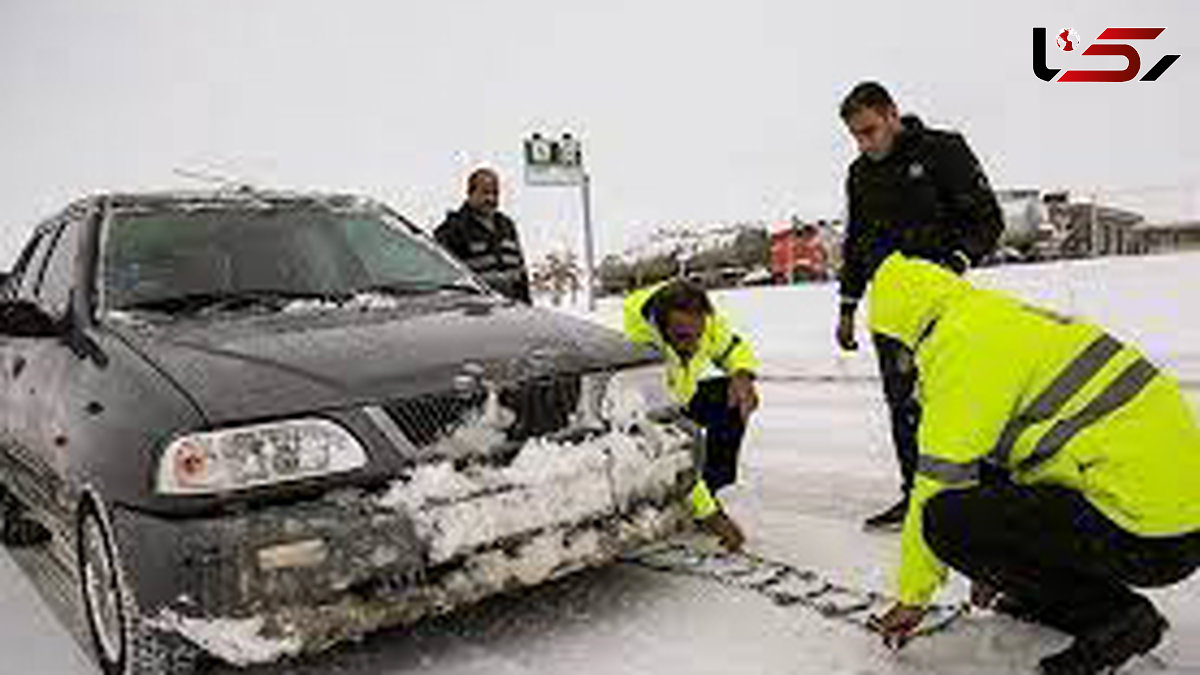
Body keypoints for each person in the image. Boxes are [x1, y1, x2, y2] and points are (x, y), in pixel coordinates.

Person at [865, 253, 1200, 675]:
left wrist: (914, 596)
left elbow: (937, 483)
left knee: (945, 519)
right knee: (986, 484)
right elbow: (1033, 454)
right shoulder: (991, 318)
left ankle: (1116, 617)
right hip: (1178, 524)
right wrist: (997, 563)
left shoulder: (962, 349)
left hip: (1150, 539)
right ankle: (1049, 598)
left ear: (901, 328)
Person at [835, 81, 1004, 531]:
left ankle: (984, 498)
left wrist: (954, 263)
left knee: (960, 398)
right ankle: (917, 497)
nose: (864, 143)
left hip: (944, 304)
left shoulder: (942, 151)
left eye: (870, 130)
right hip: (893, 311)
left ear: (892, 114)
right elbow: (856, 243)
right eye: (856, 135)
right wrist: (848, 305)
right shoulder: (860, 174)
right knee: (904, 405)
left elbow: (988, 219)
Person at [624, 278, 760, 551]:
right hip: (645, 417)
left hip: (682, 397)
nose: (694, 346)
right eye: (683, 338)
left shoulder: (701, 322)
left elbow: (731, 347)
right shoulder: (640, 350)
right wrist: (710, 515)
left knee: (731, 398)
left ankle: (709, 487)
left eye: (698, 335)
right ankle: (688, 497)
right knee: (675, 444)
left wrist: (742, 374)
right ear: (660, 328)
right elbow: (669, 437)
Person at [434, 168, 532, 303]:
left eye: (495, 193)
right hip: (475, 313)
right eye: (485, 193)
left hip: (512, 309)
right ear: (470, 193)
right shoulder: (452, 229)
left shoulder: (507, 226)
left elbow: (521, 274)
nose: (491, 198)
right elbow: (446, 279)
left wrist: (527, 306)